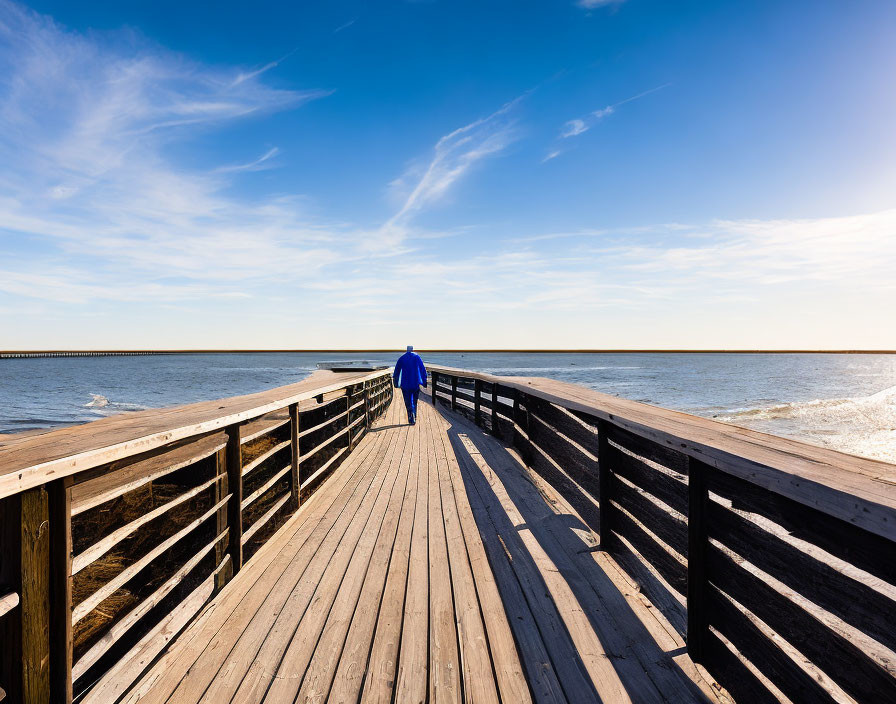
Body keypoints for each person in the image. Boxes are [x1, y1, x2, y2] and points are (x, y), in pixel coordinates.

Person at [393, 345, 427, 425]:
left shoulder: (402, 358)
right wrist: (424, 382)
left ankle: (410, 417)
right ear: (412, 349)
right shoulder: (417, 357)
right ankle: (414, 416)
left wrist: (395, 383)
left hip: (405, 384)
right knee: (414, 401)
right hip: (415, 383)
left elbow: (396, 371)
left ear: (407, 350)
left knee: (407, 401)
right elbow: (422, 370)